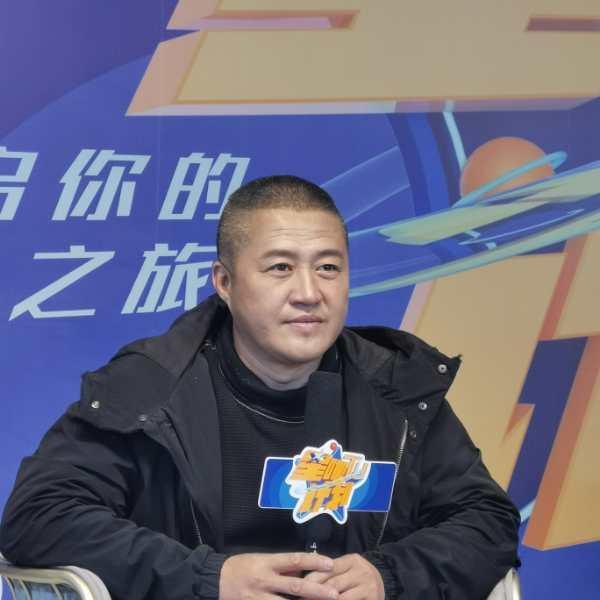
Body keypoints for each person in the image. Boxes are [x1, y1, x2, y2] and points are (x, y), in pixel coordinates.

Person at [0, 175, 520, 600]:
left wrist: (388, 576)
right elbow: (40, 516)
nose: (309, 293)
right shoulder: (152, 390)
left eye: (328, 268)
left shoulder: (395, 389)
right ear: (224, 282)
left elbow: (486, 519)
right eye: (280, 268)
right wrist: (208, 580)